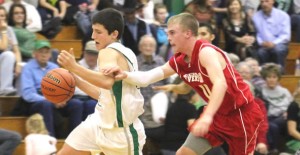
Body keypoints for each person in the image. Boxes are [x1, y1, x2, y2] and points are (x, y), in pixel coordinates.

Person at [103, 12, 264, 155]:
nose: (168, 37)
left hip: (241, 114)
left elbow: (220, 84)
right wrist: (125, 75)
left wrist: (207, 116)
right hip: (217, 115)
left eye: (172, 33)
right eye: (167, 33)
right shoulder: (179, 61)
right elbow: (147, 77)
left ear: (188, 33)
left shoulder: (206, 52)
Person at [57, 8, 146, 155]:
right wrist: (76, 80)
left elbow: (106, 82)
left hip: (121, 133)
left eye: (98, 32)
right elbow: (103, 94)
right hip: (98, 122)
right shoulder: (127, 52)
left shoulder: (108, 51)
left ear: (114, 34)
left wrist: (74, 67)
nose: (93, 36)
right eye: (93, 31)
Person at [20, 39, 84, 137]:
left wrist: (63, 98)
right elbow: (28, 94)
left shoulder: (54, 67)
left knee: (77, 104)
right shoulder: (28, 68)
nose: (44, 55)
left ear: (50, 55)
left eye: (46, 52)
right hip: (37, 103)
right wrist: (51, 99)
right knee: (46, 104)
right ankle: (51, 140)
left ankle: (75, 139)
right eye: (41, 52)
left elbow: (64, 87)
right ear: (34, 54)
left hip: (55, 100)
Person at [252, 0, 291, 71]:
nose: (264, 4)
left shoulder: (283, 15)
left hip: (279, 44)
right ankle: (264, 74)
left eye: (266, 1)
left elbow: (286, 35)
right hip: (264, 45)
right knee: (260, 52)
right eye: (262, 2)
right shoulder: (256, 16)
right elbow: (257, 33)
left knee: (278, 50)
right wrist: (261, 43)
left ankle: (280, 72)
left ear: (273, 1)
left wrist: (274, 43)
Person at [73, 40, 98, 120]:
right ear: (84, 53)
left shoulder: (102, 68)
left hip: (93, 99)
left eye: (95, 54)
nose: (92, 57)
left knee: (92, 104)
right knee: (76, 104)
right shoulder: (76, 66)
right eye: (89, 54)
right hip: (76, 98)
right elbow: (74, 89)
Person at [0, 5, 22, 96]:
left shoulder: (9, 29)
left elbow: (16, 50)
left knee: (24, 66)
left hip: (7, 61)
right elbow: (3, 47)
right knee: (8, 55)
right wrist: (3, 31)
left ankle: (20, 96)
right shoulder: (6, 30)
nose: (1, 18)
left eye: (3, 16)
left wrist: (18, 64)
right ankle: (4, 89)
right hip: (4, 58)